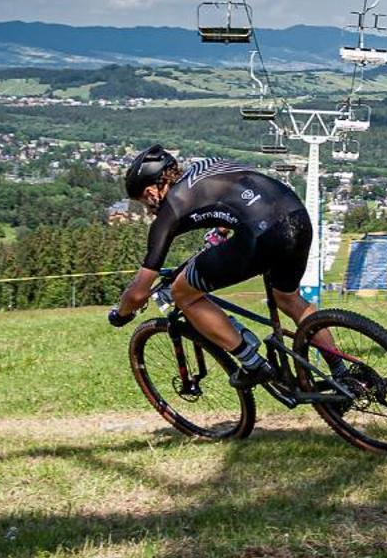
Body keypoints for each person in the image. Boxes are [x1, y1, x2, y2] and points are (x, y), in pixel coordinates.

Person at [106, 146, 323, 385]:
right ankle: (343, 372)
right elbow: (238, 199)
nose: (149, 210)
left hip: (263, 235)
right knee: (288, 298)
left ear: (150, 192)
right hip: (296, 216)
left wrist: (121, 314)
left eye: (144, 204)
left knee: (182, 293)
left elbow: (139, 292)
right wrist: (220, 234)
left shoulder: (172, 209)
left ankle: (252, 364)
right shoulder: (206, 166)